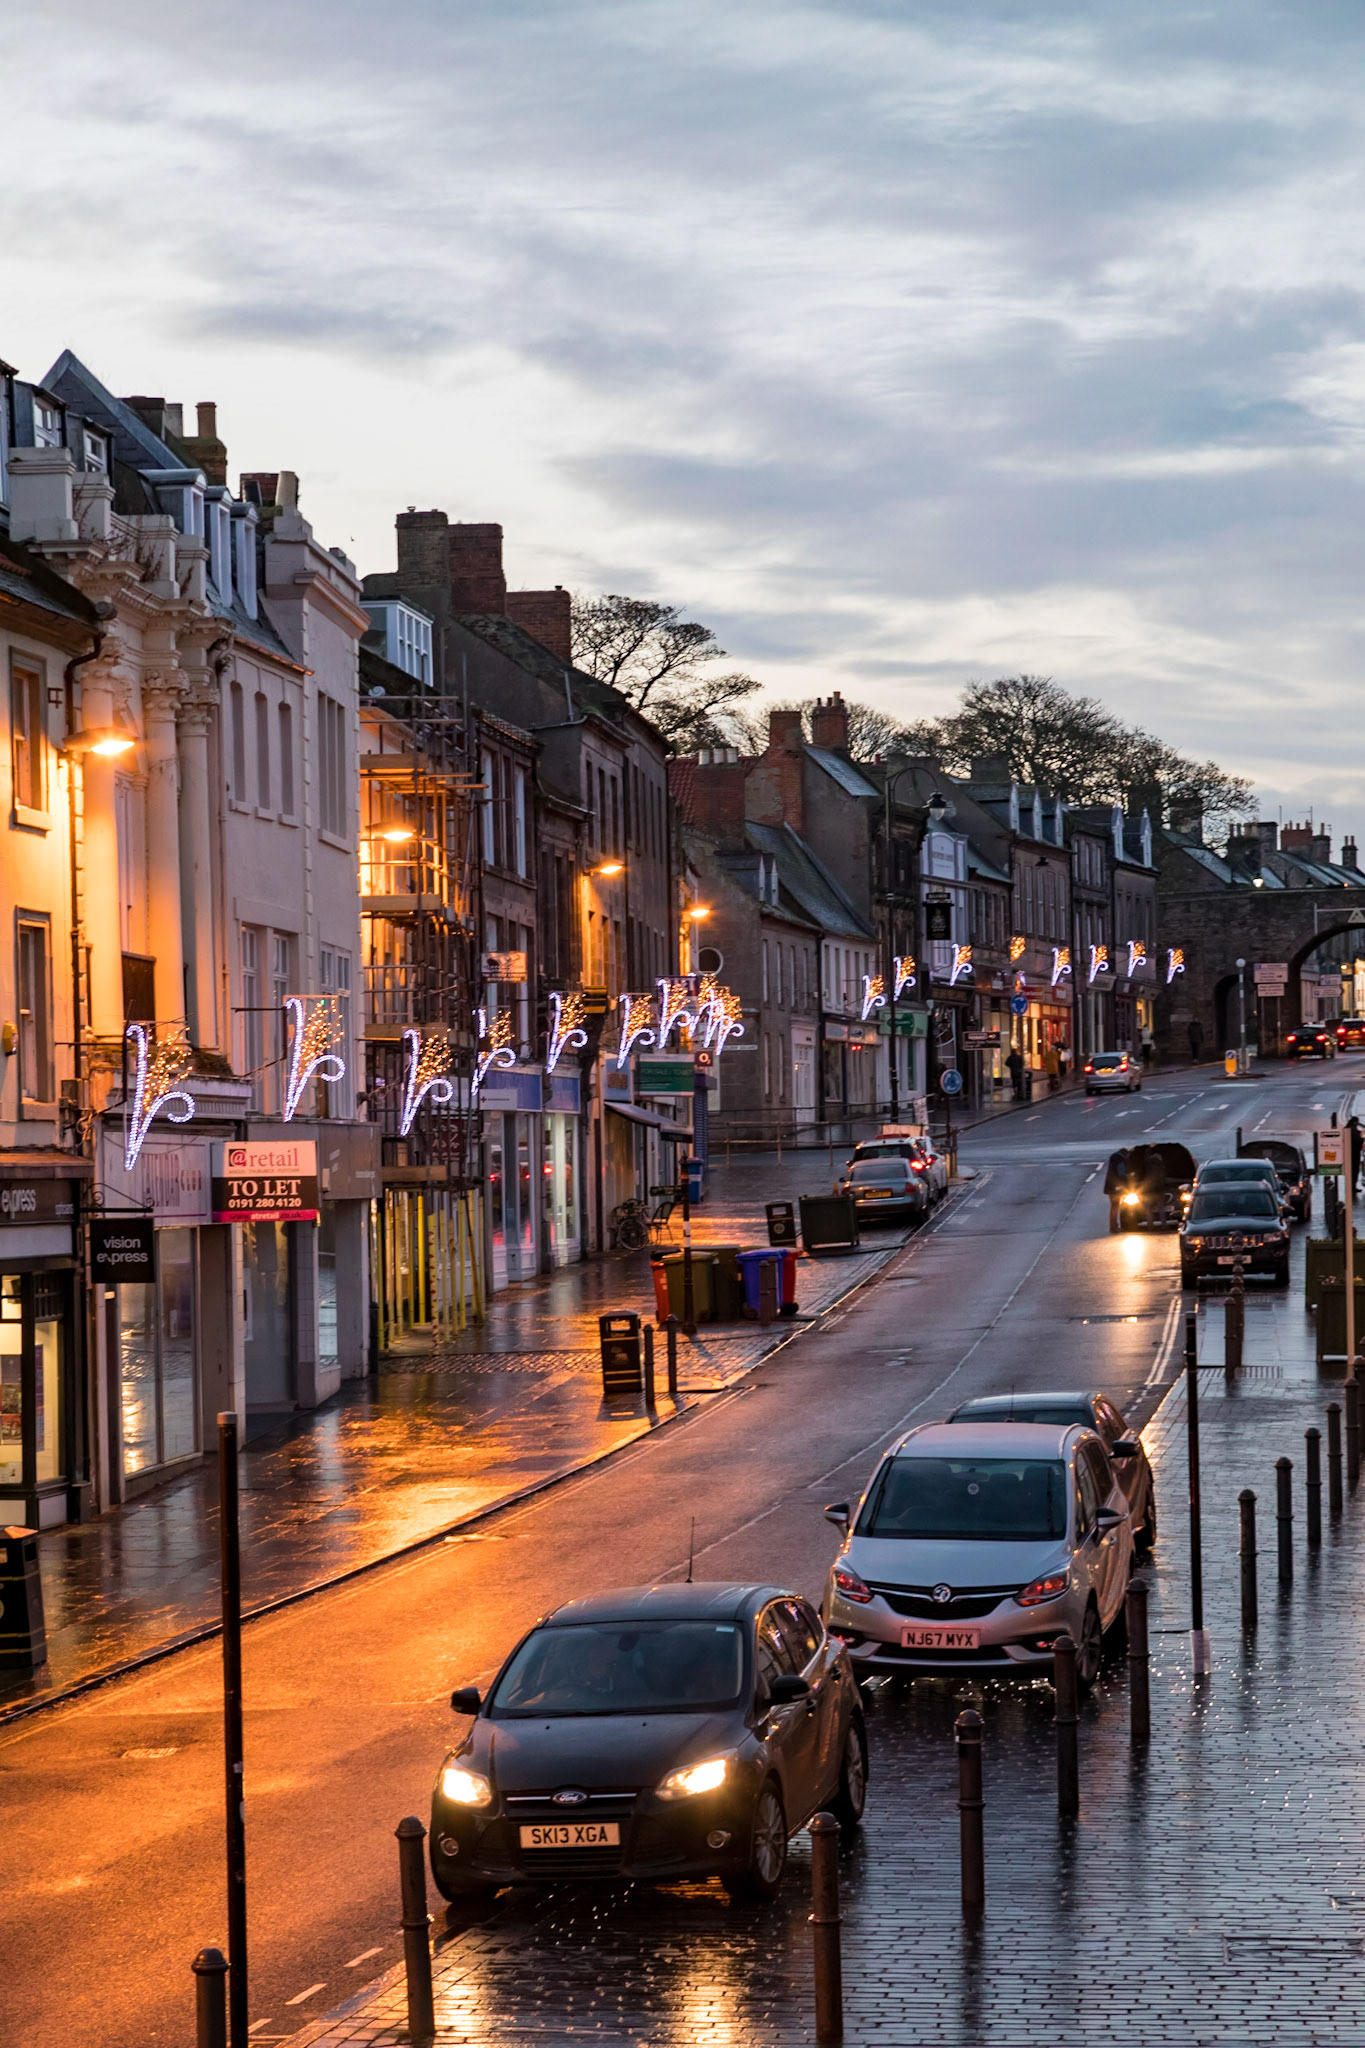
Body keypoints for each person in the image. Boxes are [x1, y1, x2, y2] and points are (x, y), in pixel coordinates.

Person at [1104, 1148, 1131, 1233]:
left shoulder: (1114, 1158)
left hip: (1109, 1186)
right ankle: (1114, 1227)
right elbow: (1122, 1174)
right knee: (1115, 1207)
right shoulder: (1120, 1160)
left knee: (1113, 1207)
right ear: (1125, 1155)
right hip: (1116, 1187)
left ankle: (1113, 1226)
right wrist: (1127, 1186)